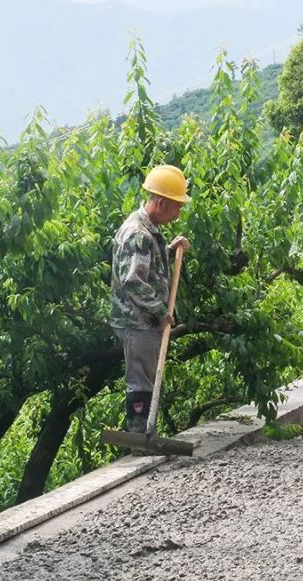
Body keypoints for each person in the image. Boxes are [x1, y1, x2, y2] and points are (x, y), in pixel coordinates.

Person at [110, 165, 191, 440]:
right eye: (176, 207)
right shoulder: (138, 233)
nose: (178, 213)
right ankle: (140, 438)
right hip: (137, 321)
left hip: (143, 320)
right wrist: (160, 310)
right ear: (161, 202)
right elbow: (132, 280)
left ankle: (146, 434)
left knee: (146, 376)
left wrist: (169, 251)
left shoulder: (148, 230)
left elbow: (148, 266)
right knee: (141, 381)